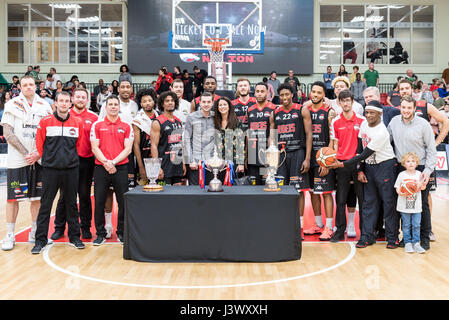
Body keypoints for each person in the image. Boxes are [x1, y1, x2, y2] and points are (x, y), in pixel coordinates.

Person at [331, 100, 399, 248]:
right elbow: (360, 150)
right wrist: (360, 169)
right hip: (369, 167)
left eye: (372, 113)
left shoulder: (382, 132)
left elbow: (364, 154)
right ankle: (367, 237)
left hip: (385, 166)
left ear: (380, 114)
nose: (368, 115)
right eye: (367, 112)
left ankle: (393, 237)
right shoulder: (363, 125)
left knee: (388, 203)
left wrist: (342, 164)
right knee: (368, 203)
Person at [0, 76, 52, 251]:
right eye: (25, 85)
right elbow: (8, 133)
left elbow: (49, 133)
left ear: (36, 86)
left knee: (37, 199)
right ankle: (9, 235)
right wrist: (26, 153)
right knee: (13, 198)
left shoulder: (45, 106)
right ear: (20, 87)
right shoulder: (12, 104)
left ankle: (35, 233)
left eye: (31, 84)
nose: (28, 87)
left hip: (39, 160)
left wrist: (37, 153)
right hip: (18, 160)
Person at [32, 91, 85, 254]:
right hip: (51, 170)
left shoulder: (77, 122)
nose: (63, 103)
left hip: (71, 170)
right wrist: (50, 160)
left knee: (71, 204)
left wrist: (68, 160)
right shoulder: (45, 122)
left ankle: (75, 237)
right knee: (46, 205)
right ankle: (40, 240)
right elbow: (40, 145)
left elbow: (79, 144)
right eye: (60, 101)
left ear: (70, 104)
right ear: (55, 103)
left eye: (66, 101)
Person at [388, 95, 437, 251]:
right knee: (403, 204)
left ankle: (424, 238)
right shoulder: (394, 122)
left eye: (409, 108)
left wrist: (428, 171)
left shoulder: (423, 125)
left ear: (415, 108)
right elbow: (386, 142)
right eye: (403, 107)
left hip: (421, 168)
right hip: (401, 168)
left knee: (421, 204)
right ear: (400, 107)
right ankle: (407, 238)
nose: (406, 110)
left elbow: (431, 149)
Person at [50, 88, 98, 241]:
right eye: (78, 97)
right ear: (72, 99)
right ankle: (59, 228)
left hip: (86, 161)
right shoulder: (65, 115)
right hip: (68, 161)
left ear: (87, 100)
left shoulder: (94, 117)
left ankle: (85, 228)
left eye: (84, 97)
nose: (81, 99)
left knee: (84, 195)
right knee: (65, 196)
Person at [270, 83, 312, 238]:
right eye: (281, 95)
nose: (284, 98)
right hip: (281, 155)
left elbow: (309, 135)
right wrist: (271, 156)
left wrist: (307, 158)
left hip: (298, 153)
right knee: (280, 189)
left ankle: (299, 227)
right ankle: (284, 224)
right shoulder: (275, 112)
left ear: (292, 95)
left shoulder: (302, 109)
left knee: (298, 190)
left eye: (287, 94)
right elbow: (272, 136)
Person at [90, 95, 134, 246]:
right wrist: (106, 163)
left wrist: (113, 162)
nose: (113, 107)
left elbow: (128, 149)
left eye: (116, 104)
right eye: (111, 104)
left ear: (119, 107)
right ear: (106, 107)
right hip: (101, 167)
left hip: (120, 168)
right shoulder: (97, 125)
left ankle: (121, 232)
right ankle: (100, 234)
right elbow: (94, 147)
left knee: (122, 202)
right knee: (99, 201)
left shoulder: (127, 126)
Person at [329, 90, 365, 242]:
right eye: (342, 101)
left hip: (357, 164)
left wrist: (362, 166)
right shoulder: (335, 121)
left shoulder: (362, 121)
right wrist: (334, 162)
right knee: (341, 199)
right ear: (339, 103)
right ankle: (339, 231)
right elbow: (335, 144)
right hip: (342, 164)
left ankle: (364, 232)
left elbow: (364, 144)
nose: (345, 103)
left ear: (352, 102)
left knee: (362, 200)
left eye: (348, 100)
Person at [303, 81, 337, 241]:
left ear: (324, 95)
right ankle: (318, 224)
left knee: (326, 193)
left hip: (323, 157)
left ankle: (329, 227)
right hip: (310, 156)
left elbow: (333, 138)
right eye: (313, 92)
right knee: (312, 192)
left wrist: (327, 161)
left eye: (319, 92)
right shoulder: (305, 109)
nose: (315, 95)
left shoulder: (329, 112)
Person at [395, 152, 427, 254]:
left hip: (416, 206)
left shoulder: (419, 174)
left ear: (417, 163)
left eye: (413, 161)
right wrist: (401, 192)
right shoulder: (401, 175)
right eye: (408, 161)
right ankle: (408, 242)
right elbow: (397, 188)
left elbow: (424, 188)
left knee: (416, 224)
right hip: (404, 205)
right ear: (404, 164)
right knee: (406, 225)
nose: (411, 163)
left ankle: (416, 243)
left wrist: (420, 185)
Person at [150, 91, 185, 185]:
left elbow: (181, 144)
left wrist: (184, 163)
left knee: (178, 196)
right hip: (164, 165)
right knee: (164, 197)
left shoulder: (178, 121)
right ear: (162, 104)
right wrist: (157, 167)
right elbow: (153, 146)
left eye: (172, 100)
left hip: (177, 165)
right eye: (167, 101)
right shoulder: (157, 122)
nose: (170, 103)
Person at [245, 82, 276, 185]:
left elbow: (275, 133)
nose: (259, 94)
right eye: (257, 91)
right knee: (254, 184)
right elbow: (247, 133)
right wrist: (246, 156)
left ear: (267, 93)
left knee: (266, 183)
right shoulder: (250, 110)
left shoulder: (274, 108)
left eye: (262, 91)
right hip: (253, 153)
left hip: (267, 153)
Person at [184, 92, 216, 186]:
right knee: (195, 192)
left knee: (212, 190)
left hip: (212, 163)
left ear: (212, 103)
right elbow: (187, 140)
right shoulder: (191, 117)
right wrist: (190, 160)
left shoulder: (216, 117)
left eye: (209, 102)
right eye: (204, 102)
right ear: (200, 103)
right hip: (196, 162)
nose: (206, 104)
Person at [214, 96, 245, 183]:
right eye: (220, 105)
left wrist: (240, 163)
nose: (222, 107)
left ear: (229, 107)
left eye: (225, 104)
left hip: (232, 160)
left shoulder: (236, 122)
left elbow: (240, 143)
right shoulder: (214, 122)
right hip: (217, 161)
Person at [132, 88, 159, 185]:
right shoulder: (137, 120)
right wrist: (141, 167)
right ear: (140, 103)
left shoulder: (159, 116)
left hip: (158, 158)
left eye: (149, 100)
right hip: (144, 158)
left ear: (154, 101)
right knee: (143, 191)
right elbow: (136, 145)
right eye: (144, 101)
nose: (147, 103)